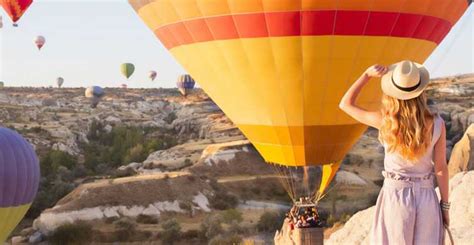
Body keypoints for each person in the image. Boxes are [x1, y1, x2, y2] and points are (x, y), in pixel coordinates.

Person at [339, 61, 449, 245]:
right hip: (427, 197)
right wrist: (445, 206)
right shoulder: (438, 124)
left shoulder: (385, 122)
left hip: (396, 196)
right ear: (421, 91)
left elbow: (345, 104)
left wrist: (366, 75)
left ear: (392, 93)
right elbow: (441, 169)